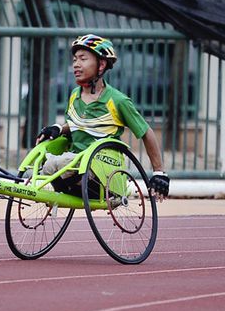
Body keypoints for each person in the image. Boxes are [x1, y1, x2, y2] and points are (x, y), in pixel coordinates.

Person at [35, 34, 170, 200]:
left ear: (101, 64)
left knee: (59, 163)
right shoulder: (74, 95)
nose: (76, 64)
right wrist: (58, 128)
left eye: (83, 59)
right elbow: (80, 124)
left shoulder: (118, 101)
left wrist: (159, 172)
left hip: (102, 171)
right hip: (74, 166)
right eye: (75, 59)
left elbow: (146, 132)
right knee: (44, 163)